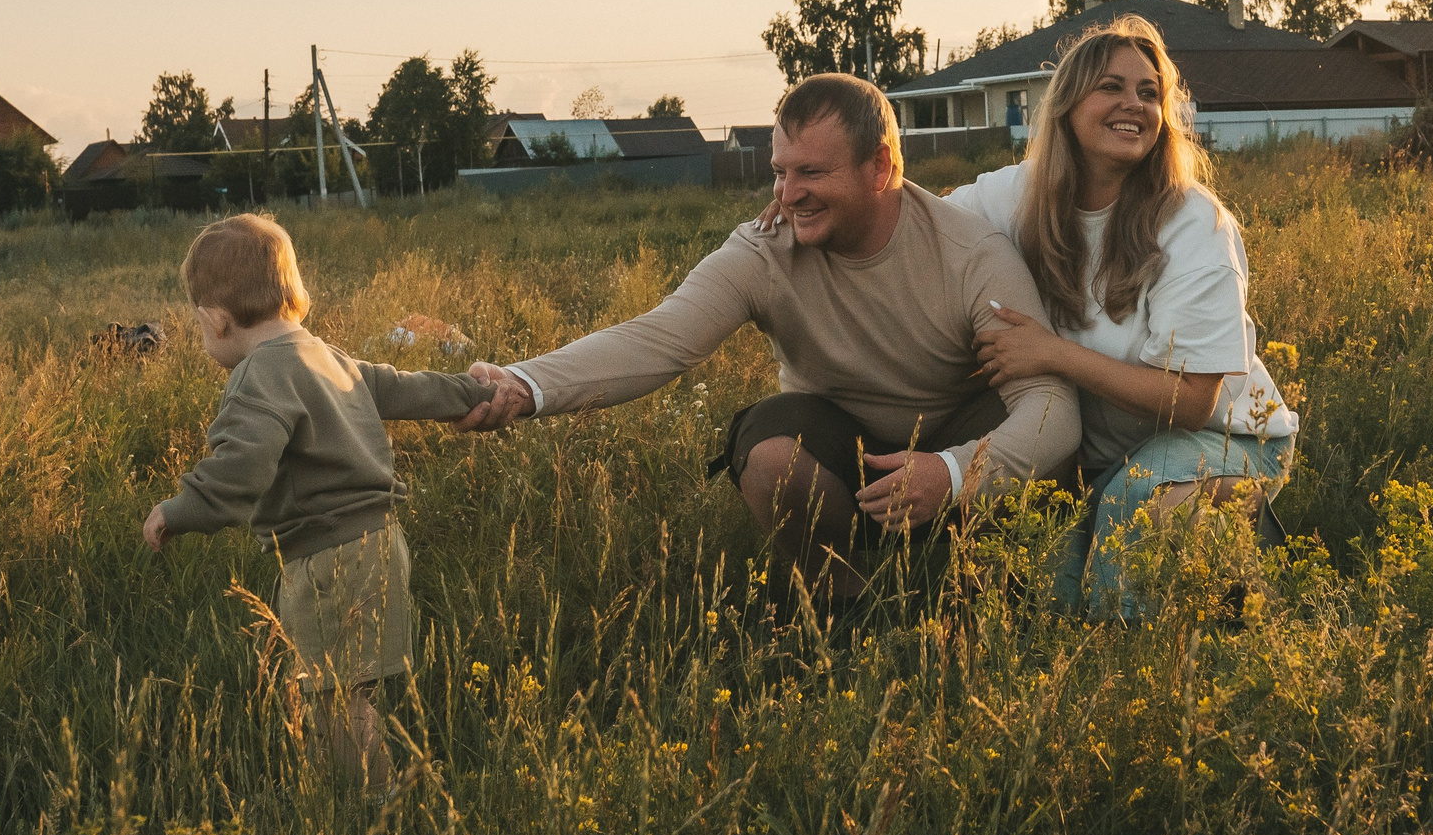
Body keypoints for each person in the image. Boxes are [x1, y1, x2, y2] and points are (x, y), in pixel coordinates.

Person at [459, 74, 1079, 611]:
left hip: (953, 452)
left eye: (812, 172)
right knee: (770, 452)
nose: (787, 194)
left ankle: (986, 592)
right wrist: (527, 384)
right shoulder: (765, 250)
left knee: (1046, 449)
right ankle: (846, 601)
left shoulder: (970, 254)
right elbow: (659, 337)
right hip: (847, 454)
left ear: (880, 168)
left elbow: (1052, 408)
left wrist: (954, 471)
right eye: (781, 172)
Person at [948, 15, 1298, 619]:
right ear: (1066, 105)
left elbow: (1192, 401)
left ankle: (1243, 566)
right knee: (1053, 599)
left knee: (1134, 513)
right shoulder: (1017, 194)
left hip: (1225, 437)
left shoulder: (1193, 222)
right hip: (1099, 455)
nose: (1134, 104)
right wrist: (803, 202)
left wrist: (1053, 354)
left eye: (1148, 93)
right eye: (1111, 87)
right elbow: (921, 223)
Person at [144, 213, 493, 798]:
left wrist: (179, 510)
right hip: (380, 544)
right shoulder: (326, 356)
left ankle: (377, 805)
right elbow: (405, 387)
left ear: (215, 318)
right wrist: (473, 392)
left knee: (333, 700)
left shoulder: (259, 376)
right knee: (337, 693)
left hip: (328, 558)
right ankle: (363, 791)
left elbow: (242, 468)